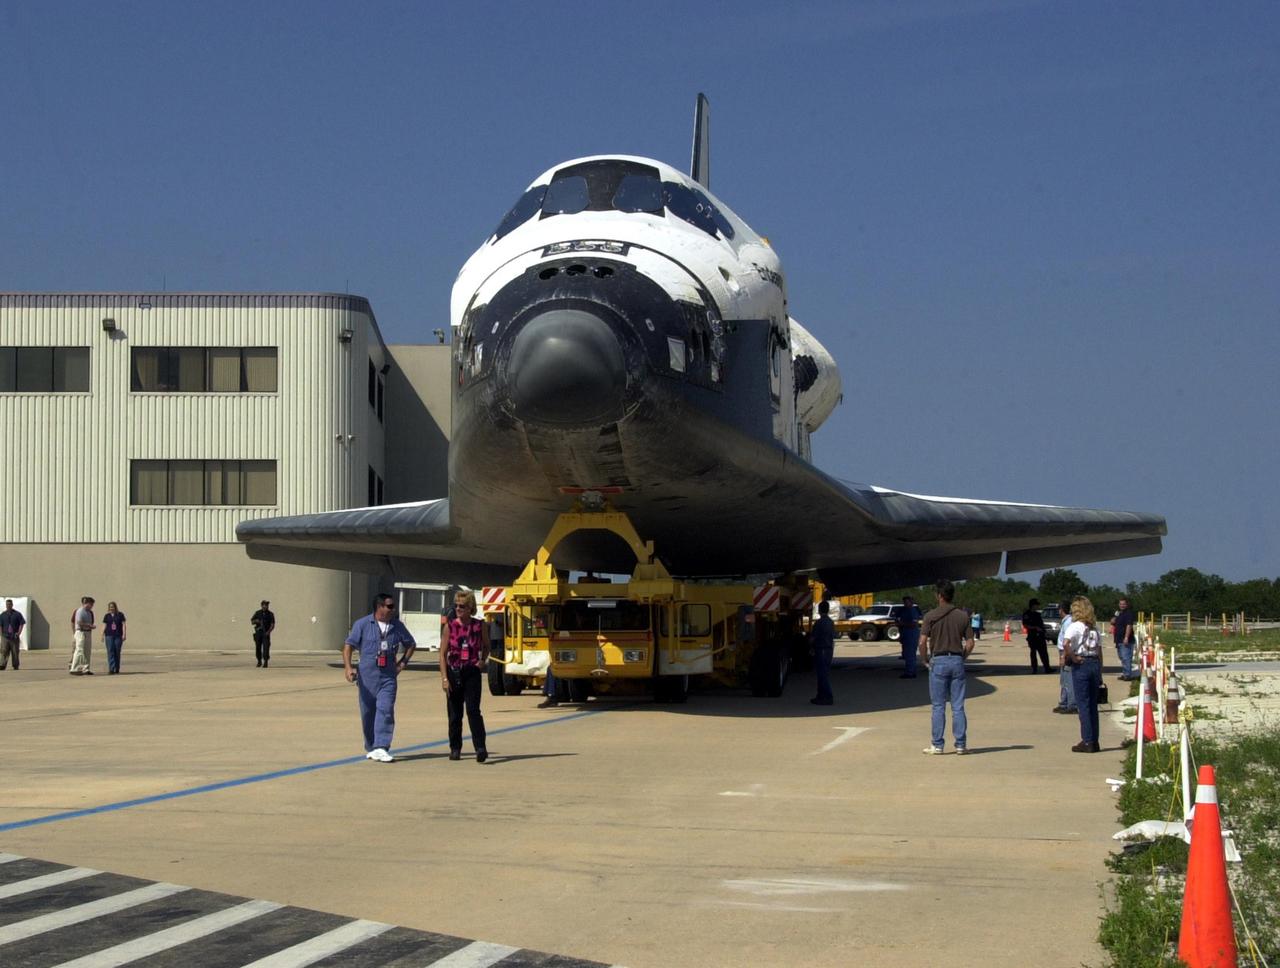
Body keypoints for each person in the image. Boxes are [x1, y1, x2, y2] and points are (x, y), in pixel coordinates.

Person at [343, 593, 416, 763]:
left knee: (385, 709)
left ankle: (382, 746)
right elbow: (349, 646)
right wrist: (348, 668)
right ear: (379, 607)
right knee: (368, 713)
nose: (393, 609)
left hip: (388, 677)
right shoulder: (362, 624)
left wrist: (402, 663)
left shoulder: (397, 626)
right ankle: (371, 747)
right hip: (367, 677)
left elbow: (410, 644)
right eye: (390, 606)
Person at [919, 580, 975, 754]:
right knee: (958, 705)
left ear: (939, 596)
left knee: (938, 706)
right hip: (956, 660)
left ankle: (937, 744)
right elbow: (971, 643)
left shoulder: (930, 616)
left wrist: (925, 659)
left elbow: (922, 641)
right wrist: (962, 657)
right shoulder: (963, 616)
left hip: (939, 660)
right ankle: (960, 744)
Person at [442, 589, 490, 762]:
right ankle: (455, 748)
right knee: (455, 714)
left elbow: (486, 646)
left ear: (470, 607)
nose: (458, 609)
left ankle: (480, 747)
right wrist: (444, 679)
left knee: (473, 710)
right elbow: (442, 654)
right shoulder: (450, 626)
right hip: (454, 671)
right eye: (456, 606)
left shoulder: (479, 626)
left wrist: (482, 660)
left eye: (462, 606)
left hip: (471, 671)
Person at [1063, 595, 1103, 752]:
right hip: (1094, 663)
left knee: (1083, 704)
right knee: (1093, 705)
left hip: (1082, 664)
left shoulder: (1075, 626)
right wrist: (1100, 670)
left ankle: (1087, 741)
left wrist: (1072, 656)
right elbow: (1099, 651)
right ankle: (1094, 740)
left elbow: (1066, 643)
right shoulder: (1094, 629)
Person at [1053, 600, 1077, 714]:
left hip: (1065, 652)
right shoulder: (1066, 621)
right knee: (1063, 680)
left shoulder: (1068, 622)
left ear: (1061, 610)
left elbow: (1068, 642)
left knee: (1068, 680)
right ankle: (1064, 702)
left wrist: (1063, 656)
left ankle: (1071, 704)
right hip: (1063, 651)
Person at [809, 599, 835, 704]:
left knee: (822, 675)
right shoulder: (830, 622)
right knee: (824, 673)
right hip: (829, 649)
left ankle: (828, 697)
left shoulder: (819, 623)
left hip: (821, 649)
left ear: (819, 610)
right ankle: (820, 696)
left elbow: (813, 638)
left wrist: (809, 646)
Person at [1022, 598, 1051, 674]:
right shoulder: (1026, 614)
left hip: (1040, 637)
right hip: (1032, 636)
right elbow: (1025, 625)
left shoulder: (1037, 614)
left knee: (1044, 653)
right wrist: (1034, 628)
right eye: (1036, 605)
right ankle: (1034, 668)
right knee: (1033, 653)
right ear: (1033, 605)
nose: (1037, 607)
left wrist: (1045, 634)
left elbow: (1041, 625)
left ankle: (1047, 668)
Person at [897, 595, 923, 679]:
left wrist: (902, 624)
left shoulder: (913, 611)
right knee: (908, 654)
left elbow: (914, 623)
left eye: (906, 602)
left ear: (911, 602)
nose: (905, 603)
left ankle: (910, 672)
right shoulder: (904, 610)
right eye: (904, 602)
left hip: (911, 635)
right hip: (906, 635)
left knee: (910, 654)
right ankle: (911, 671)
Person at [70, 596, 96, 675]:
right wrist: (89, 625)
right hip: (81, 632)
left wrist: (90, 628)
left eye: (92, 605)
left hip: (88, 632)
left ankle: (86, 668)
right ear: (86, 603)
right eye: (90, 604)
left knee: (87, 651)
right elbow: (79, 623)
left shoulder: (90, 612)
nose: (91, 606)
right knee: (79, 650)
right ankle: (74, 668)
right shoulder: (80, 611)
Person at [1113, 597, 1137, 681]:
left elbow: (1129, 625)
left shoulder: (1128, 614)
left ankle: (1127, 675)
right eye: (1120, 604)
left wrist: (1126, 637)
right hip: (1118, 640)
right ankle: (1125, 673)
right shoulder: (1119, 613)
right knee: (1122, 657)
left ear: (1127, 604)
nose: (1122, 605)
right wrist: (1115, 617)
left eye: (1123, 604)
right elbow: (1112, 622)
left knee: (1126, 657)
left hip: (1126, 640)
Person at [102, 601, 127, 674]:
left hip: (118, 635)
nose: (111, 608)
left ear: (115, 607)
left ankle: (117, 668)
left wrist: (124, 634)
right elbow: (104, 625)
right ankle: (111, 669)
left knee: (117, 651)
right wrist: (102, 635)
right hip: (109, 635)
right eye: (110, 607)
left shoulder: (120, 615)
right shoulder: (107, 616)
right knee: (110, 651)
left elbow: (123, 625)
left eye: (112, 607)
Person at [1, 599, 25, 671]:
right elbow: (0, 625)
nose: (8, 606)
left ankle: (15, 665)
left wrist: (19, 633)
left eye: (9, 604)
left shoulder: (17, 614)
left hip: (14, 636)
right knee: (4, 651)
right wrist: (1, 634)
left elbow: (21, 623)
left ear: (12, 605)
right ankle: (2, 665)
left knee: (15, 651)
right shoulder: (2, 615)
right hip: (5, 636)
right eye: (7, 605)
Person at [251, 600, 275, 668]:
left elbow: (272, 624)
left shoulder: (270, 614)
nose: (265, 606)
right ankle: (259, 661)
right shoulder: (257, 613)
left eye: (266, 605)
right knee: (258, 647)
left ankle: (266, 662)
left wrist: (268, 632)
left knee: (266, 648)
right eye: (264, 605)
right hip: (258, 633)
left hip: (266, 633)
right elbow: (252, 621)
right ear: (261, 606)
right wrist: (257, 621)